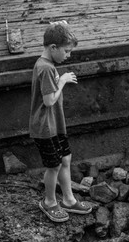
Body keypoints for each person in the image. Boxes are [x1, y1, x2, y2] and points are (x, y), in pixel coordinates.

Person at [30, 22, 93, 223]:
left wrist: (61, 26)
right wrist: (63, 80)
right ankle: (49, 202)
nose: (68, 56)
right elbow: (49, 101)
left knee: (65, 159)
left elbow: (58, 27)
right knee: (54, 166)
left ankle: (68, 199)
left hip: (56, 124)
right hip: (45, 127)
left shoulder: (48, 64)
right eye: (66, 51)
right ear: (53, 48)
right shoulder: (46, 69)